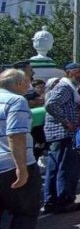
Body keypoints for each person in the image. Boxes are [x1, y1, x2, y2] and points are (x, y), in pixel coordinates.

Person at [0, 69, 42, 228]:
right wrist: (22, 169)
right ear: (18, 83)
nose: (29, 85)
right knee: (25, 214)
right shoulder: (16, 100)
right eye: (27, 81)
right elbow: (15, 136)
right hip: (13, 166)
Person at [43, 63, 80, 214]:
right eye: (77, 72)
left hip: (62, 134)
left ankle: (51, 200)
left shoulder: (68, 87)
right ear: (68, 73)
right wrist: (66, 122)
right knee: (65, 168)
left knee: (55, 168)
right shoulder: (65, 87)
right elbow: (51, 105)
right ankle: (63, 201)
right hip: (63, 134)